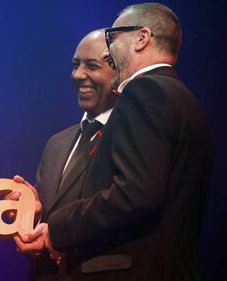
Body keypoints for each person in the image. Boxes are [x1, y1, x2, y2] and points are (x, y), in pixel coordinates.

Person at [15, 3, 212, 281]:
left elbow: (135, 194)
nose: (110, 50)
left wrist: (56, 229)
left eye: (113, 38)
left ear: (141, 38)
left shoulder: (144, 89)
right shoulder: (183, 98)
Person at [12, 29, 117, 280]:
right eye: (75, 65)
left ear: (118, 71)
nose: (78, 75)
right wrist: (33, 217)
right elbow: (51, 220)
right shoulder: (57, 143)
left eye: (91, 65)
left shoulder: (128, 138)